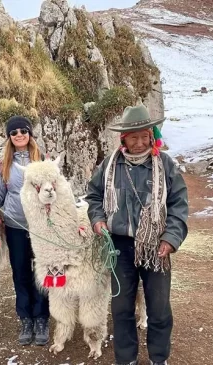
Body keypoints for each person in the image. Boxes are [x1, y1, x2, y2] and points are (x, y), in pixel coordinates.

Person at [85, 105, 188, 365]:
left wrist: (170, 239)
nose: (140, 142)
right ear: (123, 139)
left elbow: (178, 205)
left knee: (159, 307)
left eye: (144, 136)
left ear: (151, 136)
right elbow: (94, 196)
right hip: (119, 247)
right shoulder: (109, 165)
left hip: (157, 246)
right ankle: (126, 358)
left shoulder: (165, 165)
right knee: (121, 308)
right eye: (133, 137)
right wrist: (98, 220)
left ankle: (158, 358)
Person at [0, 115, 50, 346]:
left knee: (42, 272)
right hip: (15, 226)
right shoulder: (4, 164)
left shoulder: (42, 160)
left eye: (22, 131)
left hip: (40, 227)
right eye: (14, 132)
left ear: (29, 134)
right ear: (9, 137)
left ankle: (42, 318)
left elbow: (54, 188)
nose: (19, 135)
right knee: (20, 272)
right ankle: (26, 318)